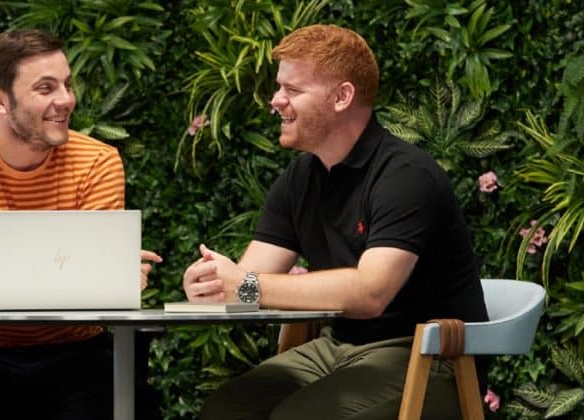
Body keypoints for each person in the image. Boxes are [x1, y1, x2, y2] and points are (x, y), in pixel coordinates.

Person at [182, 24, 489, 419]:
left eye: (293, 90)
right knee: (224, 411)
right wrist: (211, 284)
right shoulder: (300, 178)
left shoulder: (406, 176)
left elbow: (370, 293)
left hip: (428, 357)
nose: (275, 100)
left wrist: (244, 285)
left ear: (342, 97)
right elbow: (249, 278)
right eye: (278, 87)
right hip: (335, 348)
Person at [0, 29, 163, 420]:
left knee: (125, 403)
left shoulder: (98, 162)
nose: (66, 99)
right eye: (46, 88)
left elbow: (104, 294)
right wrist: (86, 277)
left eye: (67, 84)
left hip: (73, 349)